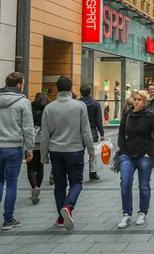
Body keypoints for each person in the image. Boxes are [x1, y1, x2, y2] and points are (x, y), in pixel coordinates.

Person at [41, 76, 95, 231]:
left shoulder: (49, 108)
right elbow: (85, 131)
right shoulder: (79, 106)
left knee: (59, 184)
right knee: (76, 182)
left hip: (56, 150)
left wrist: (44, 155)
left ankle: (60, 218)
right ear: (71, 89)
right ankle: (68, 206)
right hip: (75, 150)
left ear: (57, 89)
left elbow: (45, 134)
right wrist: (91, 149)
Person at [117, 90, 154, 229]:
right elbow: (121, 133)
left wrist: (150, 152)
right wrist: (122, 150)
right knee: (125, 183)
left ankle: (142, 212)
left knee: (144, 185)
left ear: (145, 101)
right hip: (128, 154)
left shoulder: (150, 116)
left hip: (144, 155)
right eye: (135, 99)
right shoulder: (127, 115)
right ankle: (126, 214)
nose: (136, 102)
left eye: (139, 100)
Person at [0, 72, 34, 229]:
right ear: (19, 85)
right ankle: (8, 219)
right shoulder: (23, 102)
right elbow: (28, 128)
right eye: (23, 83)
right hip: (13, 146)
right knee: (12, 183)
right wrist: (29, 147)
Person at [79, 85, 104, 181]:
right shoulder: (95, 103)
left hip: (80, 130)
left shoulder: (78, 103)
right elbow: (98, 119)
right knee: (93, 151)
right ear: (90, 91)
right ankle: (93, 173)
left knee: (80, 152)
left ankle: (79, 172)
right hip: (92, 130)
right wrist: (101, 132)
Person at [29, 93, 49, 204]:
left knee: (31, 167)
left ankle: (34, 187)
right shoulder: (47, 109)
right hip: (43, 141)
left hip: (31, 141)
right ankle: (38, 188)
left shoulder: (30, 108)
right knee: (40, 166)